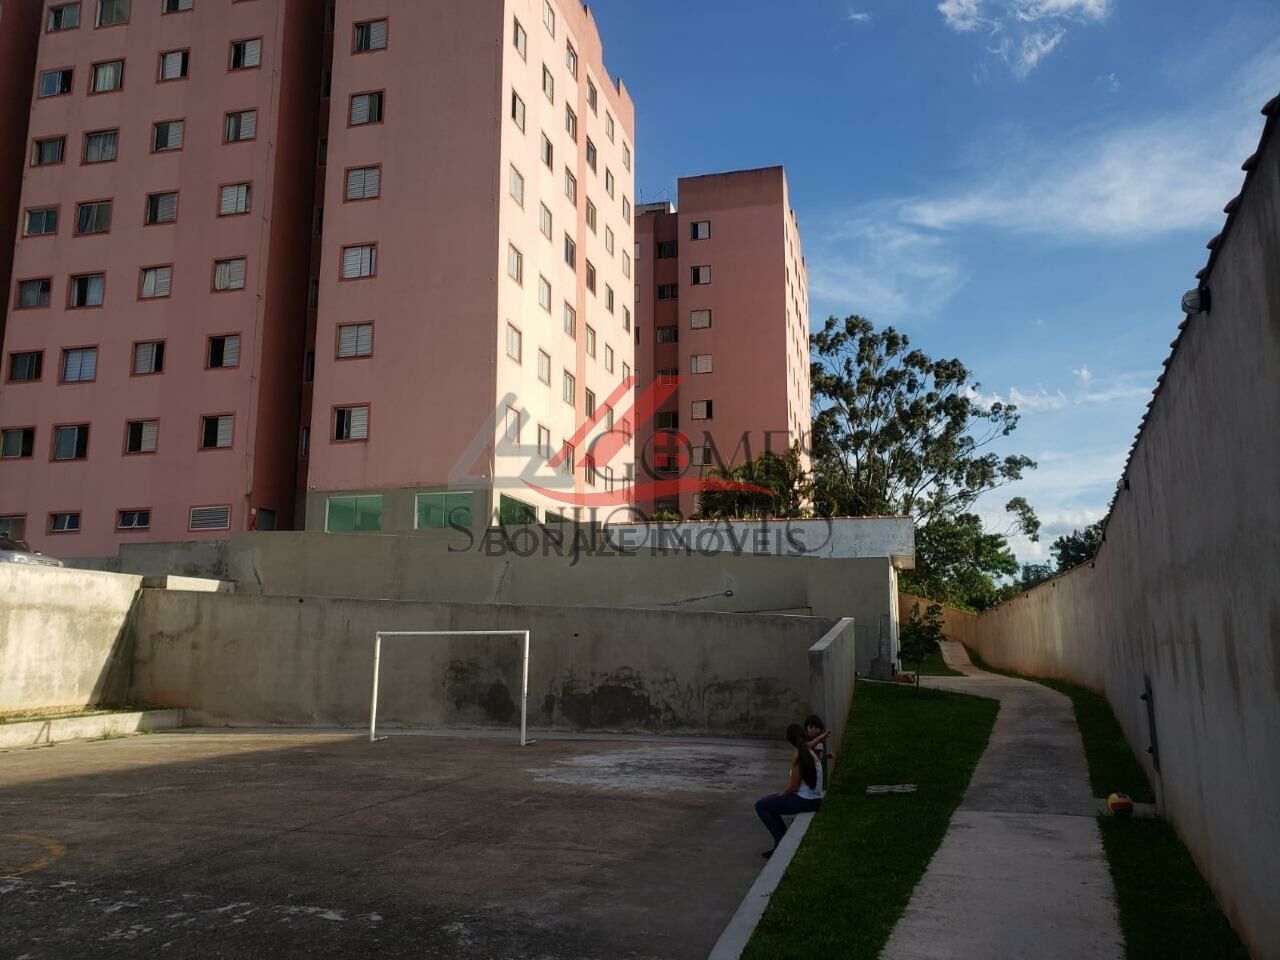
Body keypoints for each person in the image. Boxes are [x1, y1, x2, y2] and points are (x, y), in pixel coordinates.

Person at [754, 724, 824, 857]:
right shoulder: (808, 751)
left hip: (804, 800)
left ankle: (781, 843)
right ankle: (780, 841)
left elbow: (793, 787)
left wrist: (781, 794)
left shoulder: (798, 755)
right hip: (813, 799)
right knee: (769, 803)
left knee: (761, 805)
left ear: (789, 740)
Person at [804, 713, 834, 781]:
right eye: (811, 727)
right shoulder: (804, 739)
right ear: (806, 728)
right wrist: (820, 737)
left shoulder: (821, 741)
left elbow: (819, 756)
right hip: (806, 770)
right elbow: (808, 746)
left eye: (816, 727)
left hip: (817, 771)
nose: (813, 730)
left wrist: (827, 755)